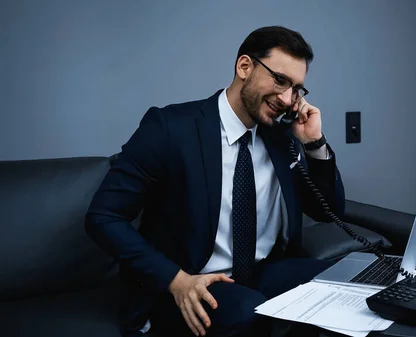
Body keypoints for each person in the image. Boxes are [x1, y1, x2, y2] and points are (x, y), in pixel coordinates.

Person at [85, 25, 345, 337]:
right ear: (245, 67)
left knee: (339, 286)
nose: (288, 99)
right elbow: (103, 216)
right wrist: (176, 280)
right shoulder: (170, 128)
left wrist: (314, 144)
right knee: (248, 313)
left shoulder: (281, 138)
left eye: (297, 89)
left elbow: (329, 211)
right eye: (280, 80)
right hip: (190, 281)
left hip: (262, 271)